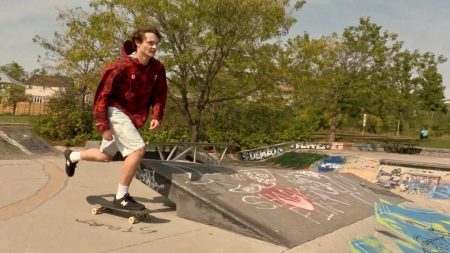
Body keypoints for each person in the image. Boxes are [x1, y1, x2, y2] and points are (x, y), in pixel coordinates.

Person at [63, 26, 168, 210]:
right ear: (138, 43)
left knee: (105, 156)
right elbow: (101, 96)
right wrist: (103, 126)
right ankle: (122, 196)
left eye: (156, 44)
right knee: (137, 150)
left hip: (133, 117)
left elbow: (160, 94)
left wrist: (157, 115)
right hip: (115, 111)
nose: (154, 47)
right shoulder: (120, 66)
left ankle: (72, 156)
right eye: (150, 43)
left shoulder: (157, 68)